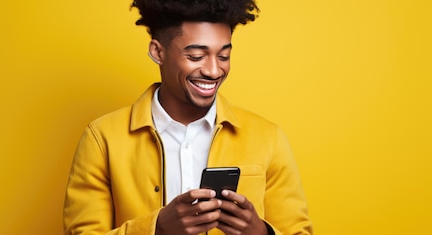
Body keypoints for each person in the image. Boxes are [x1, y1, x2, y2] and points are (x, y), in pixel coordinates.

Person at [63, 0, 313, 234]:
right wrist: (157, 228)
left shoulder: (267, 137)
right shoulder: (102, 137)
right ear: (157, 52)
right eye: (196, 56)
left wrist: (260, 232)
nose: (214, 70)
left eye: (224, 56)